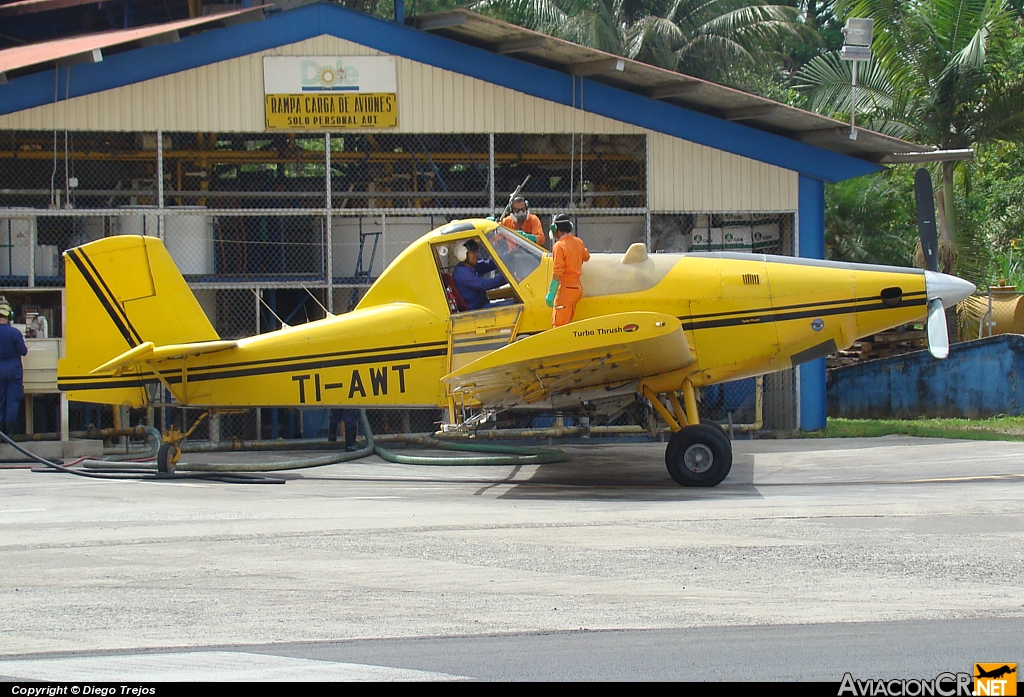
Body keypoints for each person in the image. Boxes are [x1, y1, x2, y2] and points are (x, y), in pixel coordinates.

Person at [545, 214, 590, 327]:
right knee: (567, 325)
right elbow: (586, 257)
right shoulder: (578, 242)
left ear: (555, 229)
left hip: (566, 291)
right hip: (577, 289)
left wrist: (551, 293)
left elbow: (558, 272)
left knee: (559, 326)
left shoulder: (559, 246)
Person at [452, 239, 507, 311]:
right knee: (515, 305)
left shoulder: (470, 266)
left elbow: (489, 264)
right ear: (462, 255)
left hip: (482, 305)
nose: (476, 254)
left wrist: (509, 256)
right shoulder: (462, 272)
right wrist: (508, 277)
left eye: (476, 252)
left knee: (514, 302)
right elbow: (484, 285)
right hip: (477, 309)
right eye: (473, 252)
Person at [0, 301, 27, 435]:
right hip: (13, 371)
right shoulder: (15, 333)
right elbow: (23, 351)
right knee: (12, 400)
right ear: (9, 317)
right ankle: (9, 433)